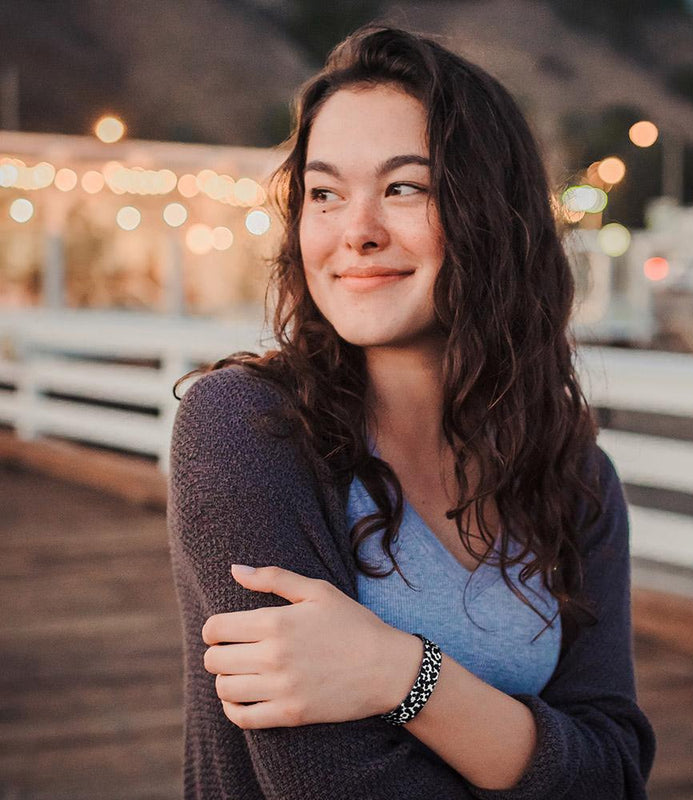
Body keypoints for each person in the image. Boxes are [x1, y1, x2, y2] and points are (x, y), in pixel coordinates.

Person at [168, 25, 656, 800]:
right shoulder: (245, 428)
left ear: (493, 215)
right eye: (324, 193)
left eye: (405, 187)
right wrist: (520, 746)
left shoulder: (575, 478)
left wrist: (398, 672)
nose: (356, 232)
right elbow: (326, 783)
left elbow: (616, 766)